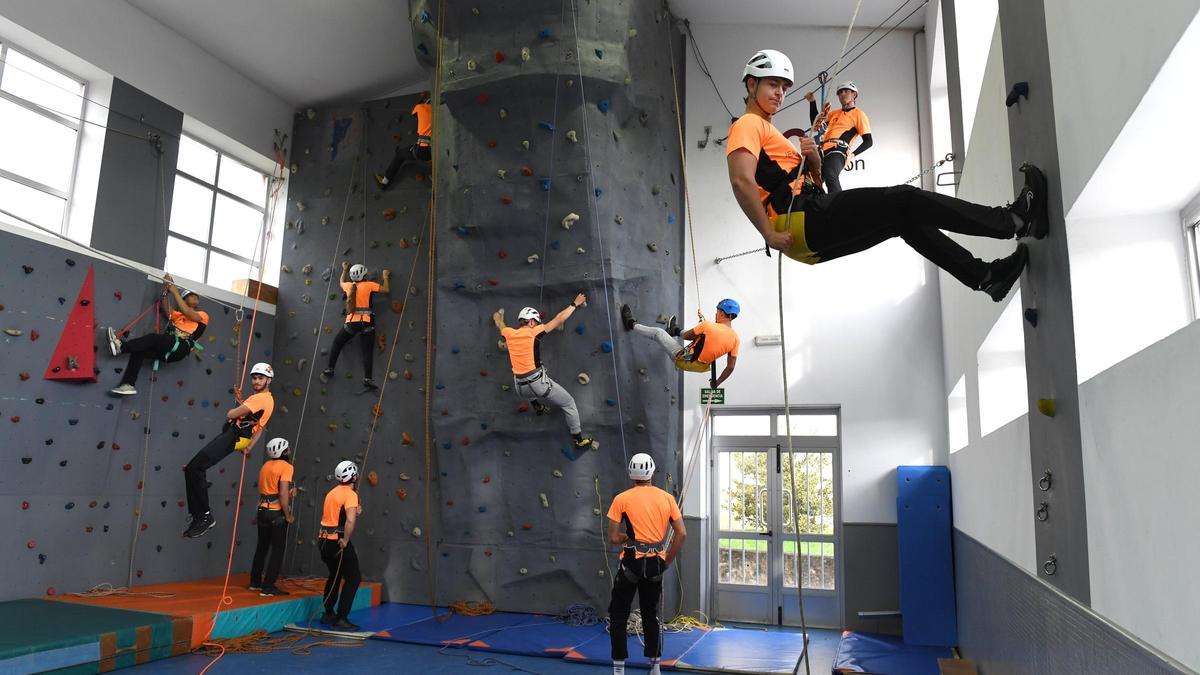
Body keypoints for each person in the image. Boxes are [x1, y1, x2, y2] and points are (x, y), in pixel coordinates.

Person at [727, 49, 1048, 302]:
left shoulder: (769, 131)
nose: (780, 93)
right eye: (772, 84)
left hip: (805, 233)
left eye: (784, 87)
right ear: (751, 84)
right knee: (903, 198)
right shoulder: (747, 125)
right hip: (797, 220)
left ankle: (985, 278)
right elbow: (741, 181)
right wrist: (768, 234)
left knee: (902, 220)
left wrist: (812, 161)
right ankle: (1010, 221)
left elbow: (811, 184)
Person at [606, 453, 686, 675]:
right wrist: (666, 561)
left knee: (619, 614)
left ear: (632, 474)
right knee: (651, 614)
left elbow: (613, 537)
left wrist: (627, 538)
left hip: (631, 562)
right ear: (651, 472)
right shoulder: (667, 498)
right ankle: (655, 666)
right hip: (655, 565)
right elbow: (681, 534)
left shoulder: (621, 499)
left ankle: (619, 669)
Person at [181, 362, 275, 538]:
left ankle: (205, 516)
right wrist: (248, 448)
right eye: (254, 378)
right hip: (238, 437)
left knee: (195, 468)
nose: (256, 381)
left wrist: (235, 410)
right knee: (192, 469)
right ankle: (198, 515)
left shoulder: (260, 399)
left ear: (268, 380)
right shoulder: (268, 400)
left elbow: (230, 415)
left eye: (260, 378)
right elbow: (260, 428)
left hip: (234, 435)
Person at [492, 295, 597, 453]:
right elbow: (559, 318)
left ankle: (538, 406)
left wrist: (498, 314)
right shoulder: (534, 332)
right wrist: (575, 303)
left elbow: (498, 321)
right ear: (532, 322)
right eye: (536, 323)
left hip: (520, 388)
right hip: (537, 384)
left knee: (526, 384)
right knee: (569, 403)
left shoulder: (508, 333)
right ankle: (578, 440)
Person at [106, 274, 207, 396]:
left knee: (153, 338)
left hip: (181, 347)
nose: (195, 297)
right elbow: (166, 308)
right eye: (191, 295)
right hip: (171, 350)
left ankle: (121, 347)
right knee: (140, 351)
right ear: (184, 299)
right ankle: (128, 384)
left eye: (196, 297)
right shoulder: (178, 316)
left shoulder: (203, 315)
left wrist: (174, 291)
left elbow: (188, 312)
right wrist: (166, 290)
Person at [620, 300, 740, 387]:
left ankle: (631, 324)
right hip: (700, 367)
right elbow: (730, 367)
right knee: (698, 336)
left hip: (685, 360)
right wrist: (717, 382)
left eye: (717, 311)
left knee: (658, 333)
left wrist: (701, 328)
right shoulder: (735, 339)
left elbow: (686, 336)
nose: (716, 313)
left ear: (722, 313)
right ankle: (674, 329)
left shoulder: (708, 325)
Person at [322, 262, 390, 390]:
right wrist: (385, 276)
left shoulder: (348, 286)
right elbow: (386, 290)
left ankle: (330, 368)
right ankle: (367, 379)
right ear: (364, 275)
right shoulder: (369, 285)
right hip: (367, 322)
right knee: (367, 351)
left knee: (337, 343)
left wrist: (344, 270)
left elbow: (341, 282)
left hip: (351, 323)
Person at [318, 460, 363, 631]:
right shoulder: (351, 495)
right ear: (354, 476)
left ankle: (328, 613)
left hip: (323, 541)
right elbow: (350, 520)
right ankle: (341, 617)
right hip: (337, 541)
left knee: (334, 576)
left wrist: (355, 507)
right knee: (354, 578)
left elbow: (337, 513)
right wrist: (345, 540)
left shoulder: (332, 492)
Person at [805, 80, 872, 194]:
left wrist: (852, 155)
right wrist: (812, 102)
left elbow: (868, 141)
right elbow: (816, 124)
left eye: (846, 91)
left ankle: (839, 208)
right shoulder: (834, 113)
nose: (842, 94)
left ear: (854, 95)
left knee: (830, 175)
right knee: (811, 180)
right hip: (823, 150)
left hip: (838, 150)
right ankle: (820, 204)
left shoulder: (859, 114)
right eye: (840, 92)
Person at [249, 437, 294, 596]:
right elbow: (282, 494)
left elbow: (269, 490)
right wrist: (288, 515)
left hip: (262, 510)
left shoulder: (266, 465)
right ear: (283, 451)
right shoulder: (287, 467)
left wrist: (287, 494)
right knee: (277, 550)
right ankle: (268, 587)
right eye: (287, 449)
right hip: (276, 513)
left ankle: (255, 582)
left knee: (262, 547)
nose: (289, 451)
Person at [375, 91, 432, 188]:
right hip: (437, 148)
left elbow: (414, 113)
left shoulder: (420, 107)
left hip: (423, 150)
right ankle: (430, 161)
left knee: (400, 155)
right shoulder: (441, 112)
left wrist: (422, 99)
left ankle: (384, 182)